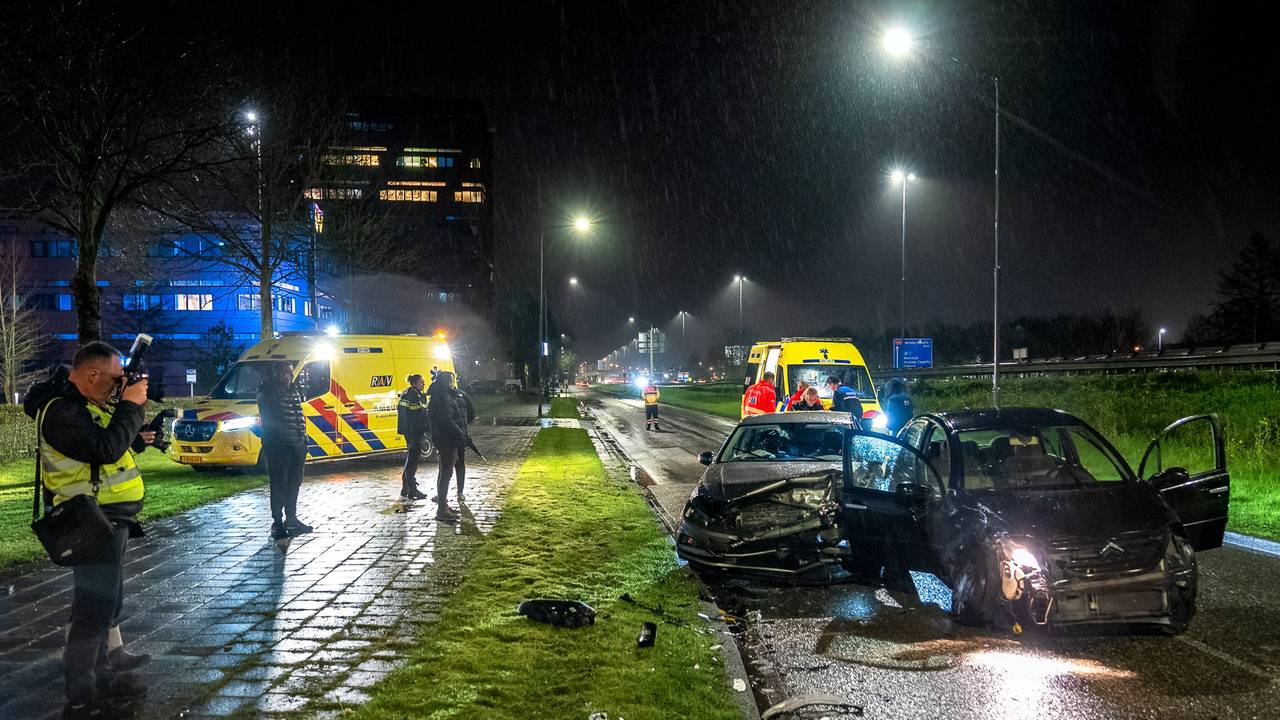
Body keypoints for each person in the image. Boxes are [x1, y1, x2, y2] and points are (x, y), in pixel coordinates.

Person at [31, 342, 155, 718]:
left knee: (105, 605)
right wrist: (130, 407)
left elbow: (104, 449)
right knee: (93, 609)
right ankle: (81, 698)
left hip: (108, 517)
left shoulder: (82, 405)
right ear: (92, 374)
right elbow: (103, 449)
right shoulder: (61, 411)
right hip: (90, 521)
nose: (119, 386)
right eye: (115, 379)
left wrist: (134, 432)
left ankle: (105, 681)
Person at [258, 363, 311, 540]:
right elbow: (270, 419)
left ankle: (292, 519)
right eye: (284, 373)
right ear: (276, 375)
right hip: (278, 446)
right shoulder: (268, 392)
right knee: (278, 484)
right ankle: (278, 523)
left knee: (294, 483)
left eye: (289, 373)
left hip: (297, 445)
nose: (288, 377)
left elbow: (298, 415)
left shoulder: (294, 390)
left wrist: (303, 439)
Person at [428, 370, 475, 520]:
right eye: (451, 380)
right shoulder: (443, 397)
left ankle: (443, 506)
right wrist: (459, 432)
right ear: (448, 381)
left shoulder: (444, 395)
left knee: (445, 472)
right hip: (447, 440)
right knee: (446, 474)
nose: (453, 383)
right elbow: (446, 420)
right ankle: (442, 510)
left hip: (448, 439)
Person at [396, 374, 430, 500]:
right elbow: (405, 414)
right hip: (413, 432)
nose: (423, 384)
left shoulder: (417, 395)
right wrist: (408, 432)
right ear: (414, 384)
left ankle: (406, 489)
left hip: (417, 431)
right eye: (421, 382)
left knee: (412, 460)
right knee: (412, 461)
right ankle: (411, 490)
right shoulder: (410, 395)